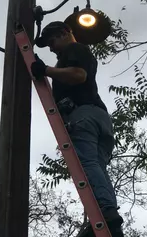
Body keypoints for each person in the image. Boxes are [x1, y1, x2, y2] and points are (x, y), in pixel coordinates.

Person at [31, 21, 124, 237]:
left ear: (65, 33)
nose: (51, 48)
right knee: (97, 168)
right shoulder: (72, 55)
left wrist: (45, 70)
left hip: (84, 116)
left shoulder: (75, 49)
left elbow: (78, 75)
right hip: (99, 119)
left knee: (88, 165)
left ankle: (106, 213)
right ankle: (108, 221)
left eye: (52, 41)